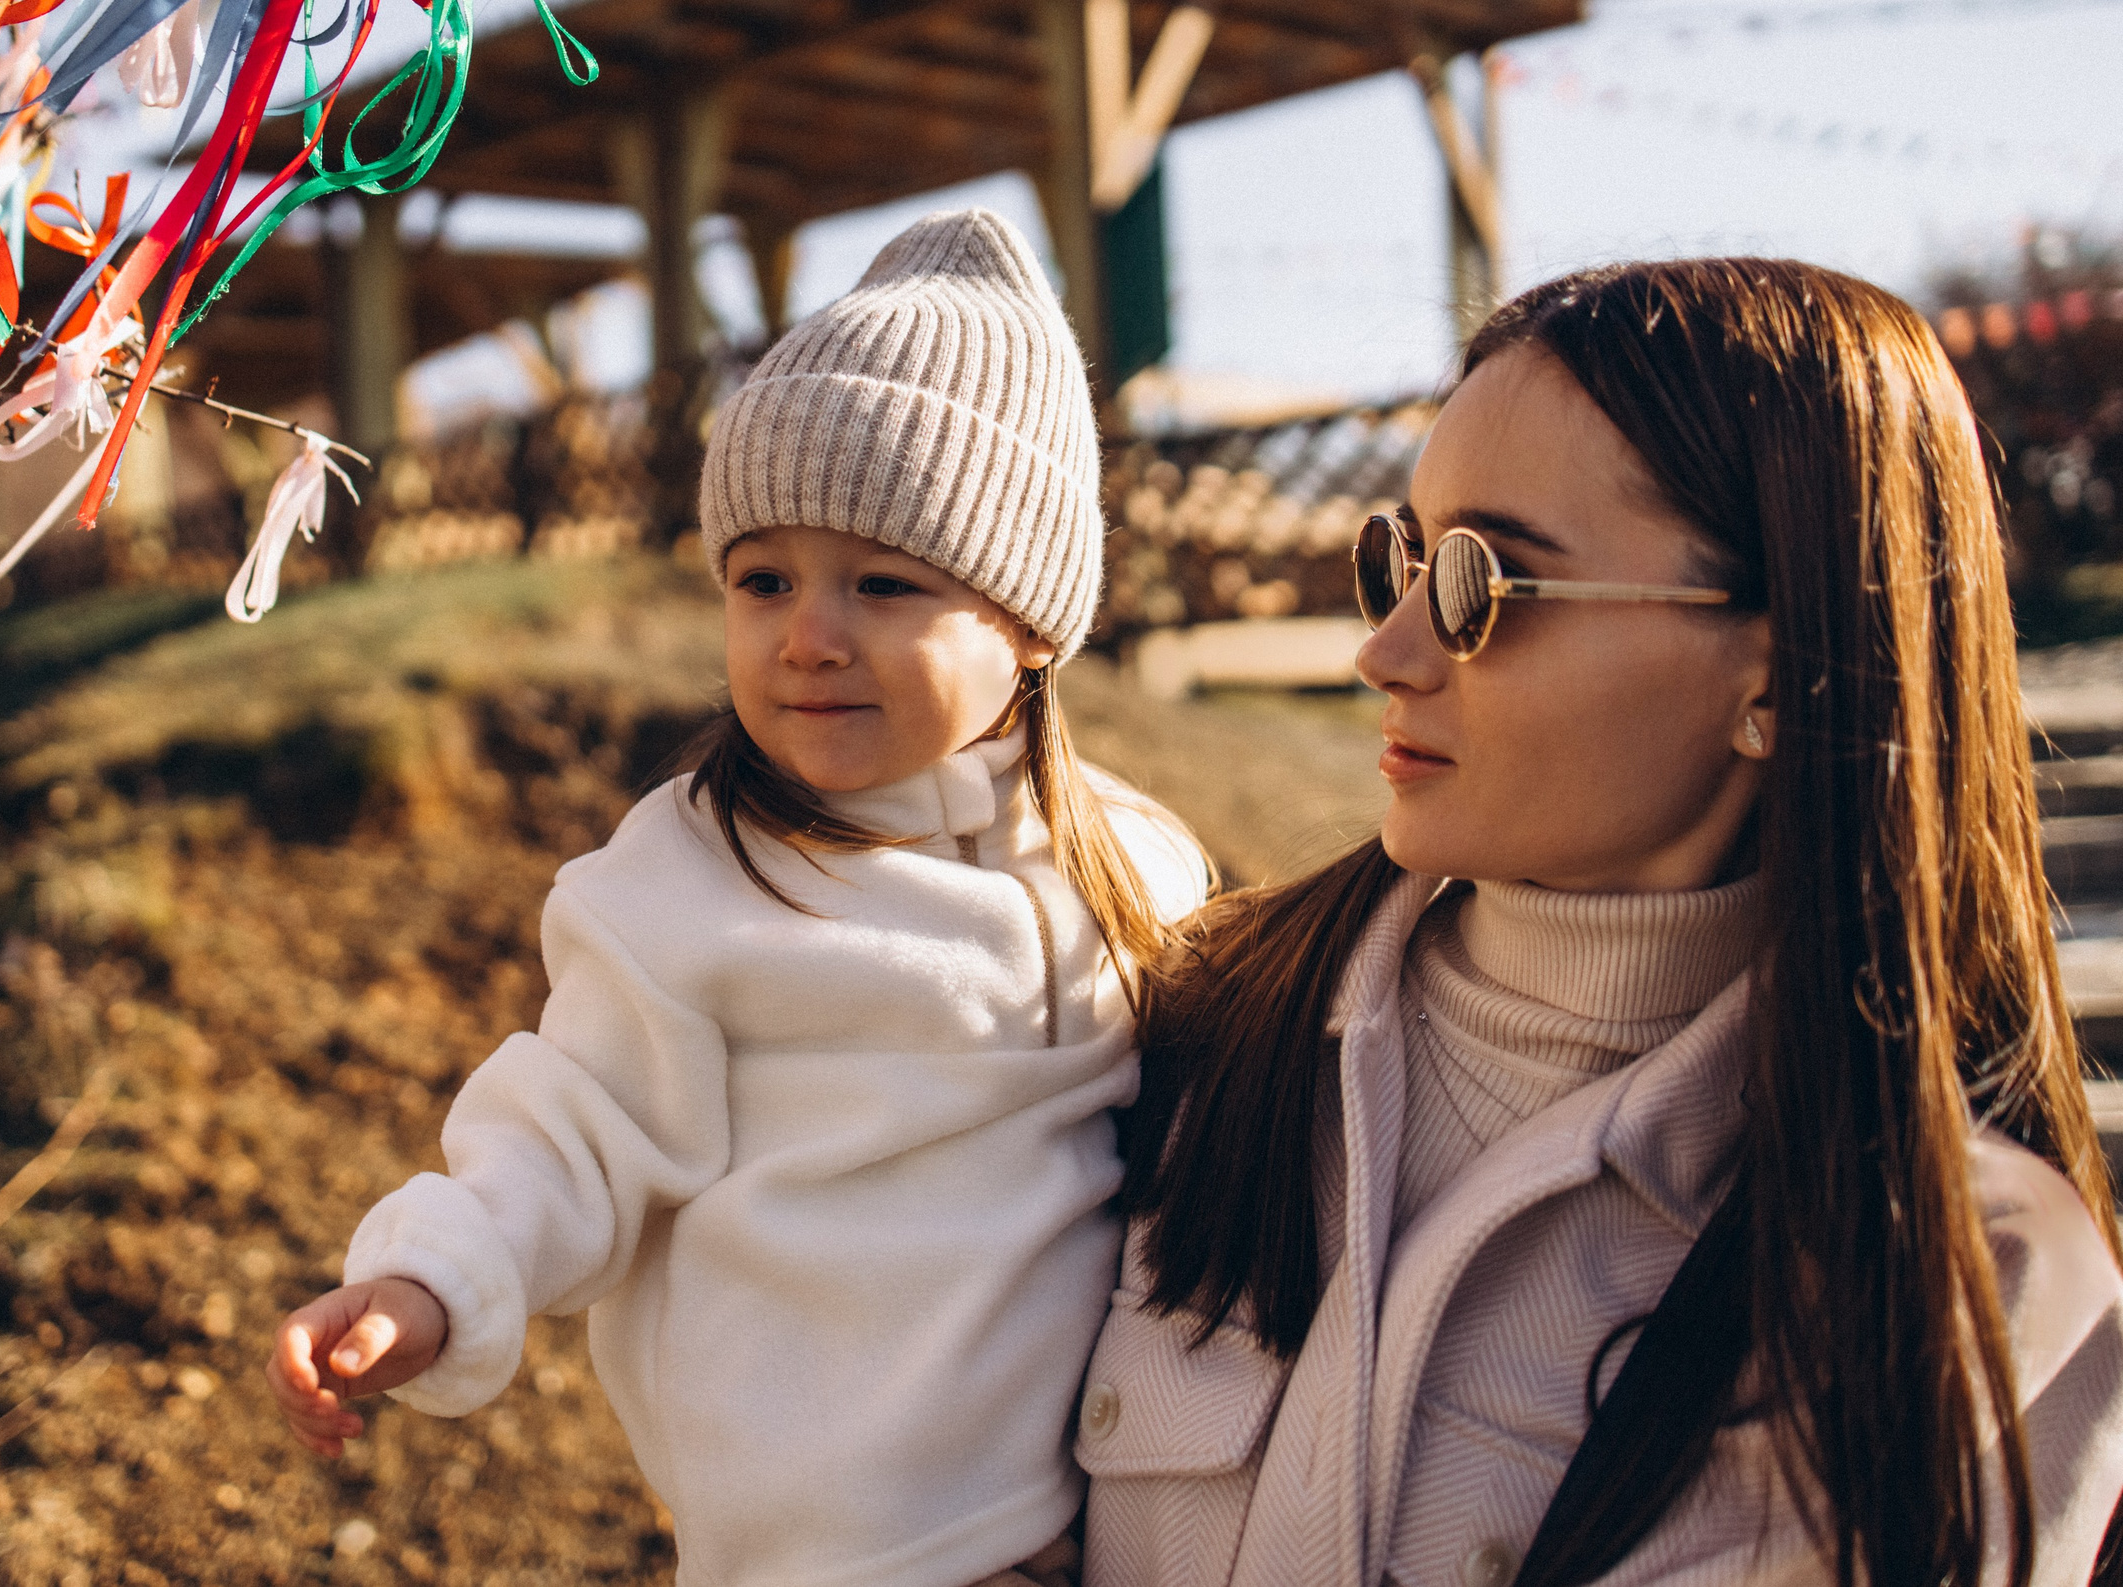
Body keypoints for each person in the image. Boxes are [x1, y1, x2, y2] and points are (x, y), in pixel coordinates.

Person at [1084, 258, 2123, 1587]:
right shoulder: (1182, 1034)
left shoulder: (1958, 1291)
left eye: (1480, 584)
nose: (1387, 653)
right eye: (1397, 560)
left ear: (1779, 673)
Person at [266, 209, 1211, 1587]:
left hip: (1102, 1514)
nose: (808, 637)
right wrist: (430, 1280)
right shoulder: (700, 876)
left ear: (1028, 628)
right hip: (821, 1539)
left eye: (885, 584)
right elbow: (570, 1125)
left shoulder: (1135, 862)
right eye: (761, 579)